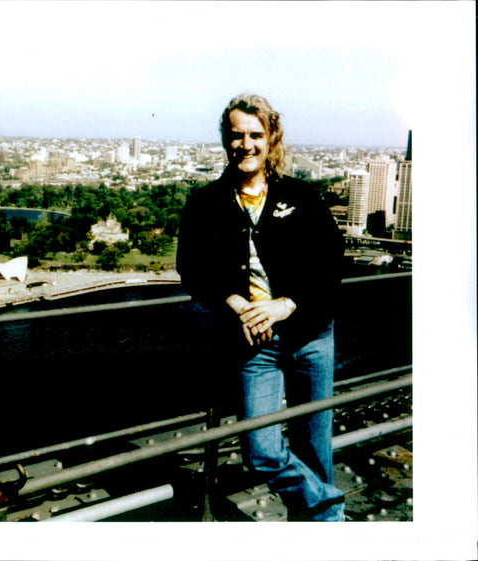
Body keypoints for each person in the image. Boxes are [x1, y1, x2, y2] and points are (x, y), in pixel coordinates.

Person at [177, 93, 345, 521]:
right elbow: (191, 269)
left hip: (309, 334)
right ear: (225, 140)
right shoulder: (206, 202)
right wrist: (235, 302)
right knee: (261, 449)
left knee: (314, 446)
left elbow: (330, 266)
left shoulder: (300, 197)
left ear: (271, 140)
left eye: (256, 135)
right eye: (237, 136)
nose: (246, 145)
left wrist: (285, 305)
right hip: (257, 342)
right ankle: (329, 514)